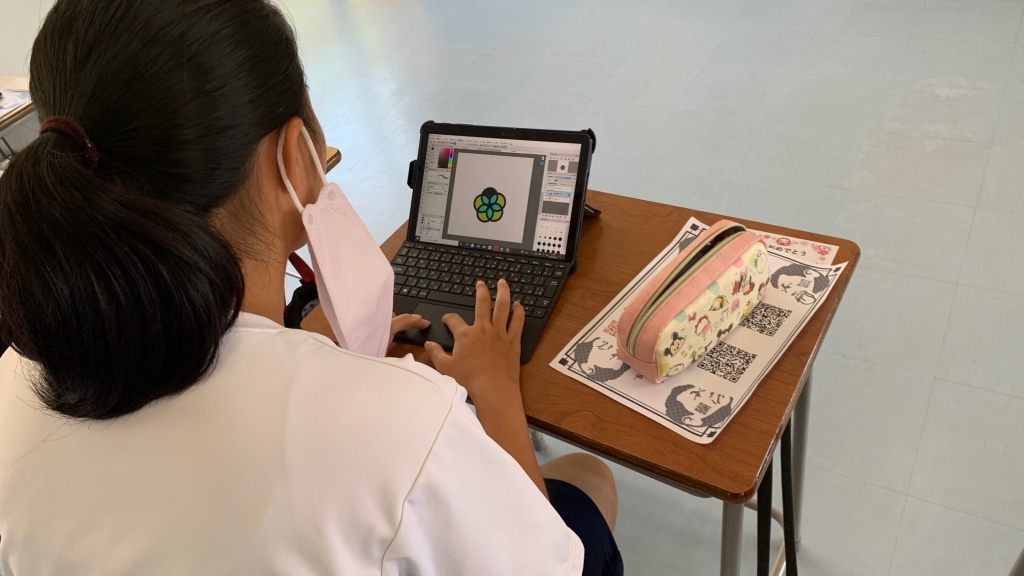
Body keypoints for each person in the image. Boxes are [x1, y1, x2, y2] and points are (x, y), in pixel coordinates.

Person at [0, 1, 622, 574]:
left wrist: (306, 352)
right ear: (295, 154)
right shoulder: (404, 430)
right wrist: (495, 390)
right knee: (589, 475)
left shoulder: (13, 384)